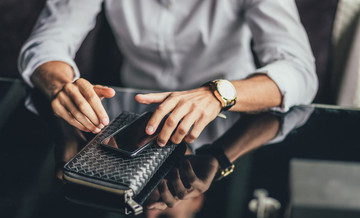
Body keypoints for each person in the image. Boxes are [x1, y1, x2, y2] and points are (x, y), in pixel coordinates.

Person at [18, 0, 318, 148]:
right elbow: (47, 42)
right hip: (131, 119)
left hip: (234, 116)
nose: (149, 208)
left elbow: (299, 70)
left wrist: (217, 94)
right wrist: (60, 86)